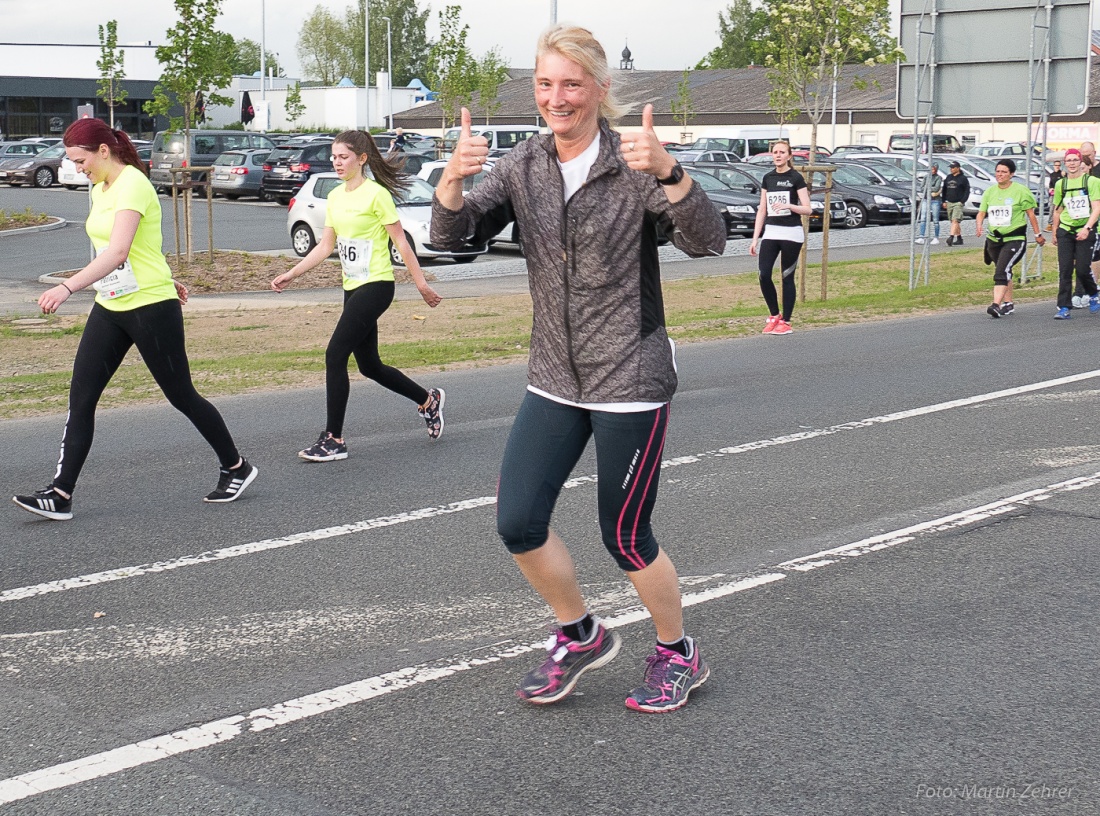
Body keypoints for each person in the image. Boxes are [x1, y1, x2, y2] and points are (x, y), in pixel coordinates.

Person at [430, 24, 726, 713]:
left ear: (599, 88)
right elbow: (454, 240)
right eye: (544, 83)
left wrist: (672, 174)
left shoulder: (632, 165)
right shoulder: (524, 164)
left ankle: (678, 653)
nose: (556, 98)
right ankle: (580, 633)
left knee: (624, 536)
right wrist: (451, 182)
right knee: (518, 520)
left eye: (570, 83)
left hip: (630, 375)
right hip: (555, 376)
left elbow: (708, 240)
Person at [12, 119, 258, 521]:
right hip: (111, 302)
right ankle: (60, 494)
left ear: (103, 151)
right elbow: (120, 248)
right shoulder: (99, 187)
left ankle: (236, 466)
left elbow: (120, 251)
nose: (77, 168)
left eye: (81, 160)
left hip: (148, 307)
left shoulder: (134, 185)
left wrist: (67, 287)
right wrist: (162, 271)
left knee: (181, 395)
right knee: (82, 397)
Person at [271, 130, 444, 462]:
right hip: (352, 287)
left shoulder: (376, 195)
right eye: (334, 157)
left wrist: (421, 283)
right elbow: (325, 247)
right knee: (370, 366)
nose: (337, 162)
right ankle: (428, 400)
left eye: (343, 157)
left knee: (335, 354)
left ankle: (333, 439)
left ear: (361, 159)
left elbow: (401, 243)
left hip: (377, 286)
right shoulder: (335, 197)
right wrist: (292, 274)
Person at [748, 140, 812, 335]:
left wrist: (790, 206)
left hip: (792, 233)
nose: (778, 155)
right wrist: (755, 238)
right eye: (775, 152)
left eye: (782, 152)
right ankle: (774, 315)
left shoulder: (796, 178)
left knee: (786, 276)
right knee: (764, 274)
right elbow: (762, 210)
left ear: (789, 156)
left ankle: (786, 321)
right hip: (772, 232)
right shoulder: (768, 178)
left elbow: (808, 209)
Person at [975, 158, 1046, 318]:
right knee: (1004, 269)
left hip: (1014, 238)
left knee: (1002, 270)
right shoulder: (990, 191)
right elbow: (982, 212)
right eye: (998, 171)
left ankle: (995, 305)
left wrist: (1037, 235)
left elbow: (1031, 214)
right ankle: (1008, 304)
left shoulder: (1021, 191)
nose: (1000, 175)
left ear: (1011, 174)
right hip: (994, 239)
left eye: (1004, 172)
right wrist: (979, 224)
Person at [1049, 148, 1100, 319]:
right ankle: (1064, 307)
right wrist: (1055, 232)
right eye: (1068, 160)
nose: (1071, 163)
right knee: (1065, 270)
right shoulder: (1060, 184)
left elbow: (1097, 208)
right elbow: (1057, 210)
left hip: (1085, 229)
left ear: (1080, 162)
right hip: (1066, 230)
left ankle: (1093, 293)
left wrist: (1087, 228)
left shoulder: (1091, 181)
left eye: (1075, 160)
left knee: (1082, 268)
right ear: (1065, 162)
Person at [942, 161, 970, 246]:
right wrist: (944, 200)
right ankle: (959, 238)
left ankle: (951, 237)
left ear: (958, 168)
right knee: (953, 221)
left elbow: (967, 191)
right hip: (949, 202)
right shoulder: (948, 177)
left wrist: (962, 201)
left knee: (955, 220)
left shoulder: (963, 178)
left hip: (958, 202)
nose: (951, 169)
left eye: (953, 167)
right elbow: (944, 189)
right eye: (951, 168)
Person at [915, 163, 943, 244]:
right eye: (931, 169)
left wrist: (928, 188)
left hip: (935, 200)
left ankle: (936, 237)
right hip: (926, 199)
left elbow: (937, 188)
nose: (932, 170)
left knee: (935, 220)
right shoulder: (926, 177)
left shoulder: (938, 178)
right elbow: (922, 187)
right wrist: (931, 189)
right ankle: (921, 236)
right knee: (923, 218)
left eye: (934, 169)